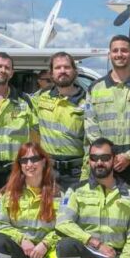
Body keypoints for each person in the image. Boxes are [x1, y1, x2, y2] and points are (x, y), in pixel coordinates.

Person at [86, 35, 130, 194]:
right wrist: (107, 156)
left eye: (124, 50)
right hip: (103, 164)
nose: (120, 54)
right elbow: (91, 125)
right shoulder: (95, 88)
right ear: (109, 54)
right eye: (115, 50)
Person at [0, 52, 38, 203]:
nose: (2, 70)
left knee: (14, 216)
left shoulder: (25, 101)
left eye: (7, 67)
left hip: (15, 171)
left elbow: (43, 130)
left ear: (12, 73)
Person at [33, 51, 88, 191]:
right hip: (48, 170)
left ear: (74, 71)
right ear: (51, 73)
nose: (62, 71)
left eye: (67, 67)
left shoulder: (88, 101)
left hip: (76, 173)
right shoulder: (41, 98)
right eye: (58, 68)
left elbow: (92, 140)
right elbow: (18, 104)